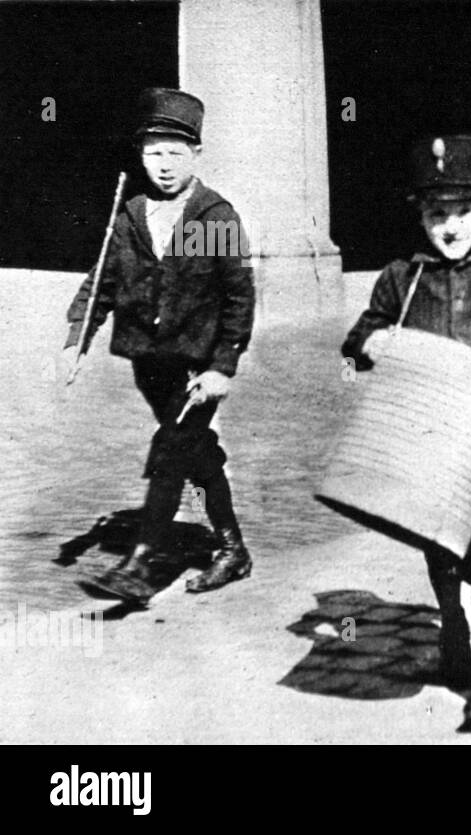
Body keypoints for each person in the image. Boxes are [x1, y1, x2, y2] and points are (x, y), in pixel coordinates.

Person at [340, 134, 471, 732]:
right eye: (437, 213)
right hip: (428, 436)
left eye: (463, 211)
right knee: (439, 544)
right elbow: (360, 337)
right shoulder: (401, 277)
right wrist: (372, 342)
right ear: (420, 214)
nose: (450, 225)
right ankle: (452, 629)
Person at [65, 88, 255, 605]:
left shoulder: (212, 217)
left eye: (176, 152)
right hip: (149, 362)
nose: (164, 165)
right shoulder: (130, 214)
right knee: (196, 452)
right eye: (154, 152)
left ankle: (139, 564)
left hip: (199, 364)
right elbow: (102, 280)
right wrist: (77, 332)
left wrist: (224, 365)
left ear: (196, 153)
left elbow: (239, 297)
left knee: (173, 450)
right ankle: (232, 550)